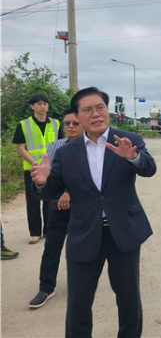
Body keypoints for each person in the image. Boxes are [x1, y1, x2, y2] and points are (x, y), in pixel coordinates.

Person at [30, 87, 157, 338]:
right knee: (78, 302)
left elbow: (149, 168)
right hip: (83, 232)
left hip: (123, 232)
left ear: (107, 110)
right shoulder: (66, 152)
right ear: (78, 116)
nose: (96, 114)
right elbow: (51, 190)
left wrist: (132, 157)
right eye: (87, 110)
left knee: (128, 298)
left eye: (100, 107)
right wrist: (43, 182)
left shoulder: (128, 139)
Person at [29, 108, 84, 309]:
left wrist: (69, 191)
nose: (70, 127)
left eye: (75, 123)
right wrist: (44, 184)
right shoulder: (54, 147)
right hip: (58, 205)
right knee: (52, 246)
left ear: (84, 124)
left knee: (80, 247)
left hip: (83, 208)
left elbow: (91, 179)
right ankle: (46, 287)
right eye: (67, 123)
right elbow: (50, 178)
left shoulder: (91, 146)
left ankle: (79, 285)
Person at [12, 93, 64, 244]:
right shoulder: (23, 124)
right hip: (32, 169)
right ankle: (35, 232)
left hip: (52, 168)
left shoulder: (56, 123)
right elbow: (21, 148)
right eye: (39, 104)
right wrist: (35, 163)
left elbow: (61, 144)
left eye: (45, 104)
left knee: (51, 198)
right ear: (32, 106)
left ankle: (49, 230)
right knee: (33, 200)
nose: (43, 106)